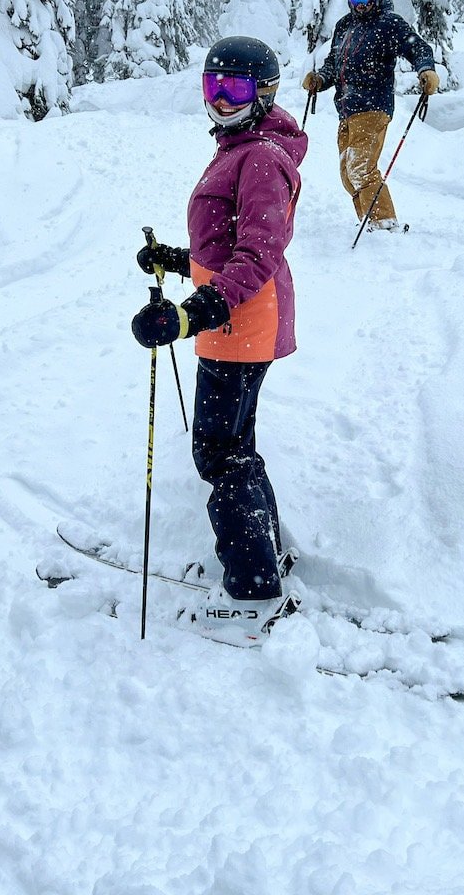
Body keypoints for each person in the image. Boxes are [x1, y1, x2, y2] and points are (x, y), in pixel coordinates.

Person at [130, 36, 307, 638]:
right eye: (213, 88)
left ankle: (253, 591)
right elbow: (226, 243)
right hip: (235, 320)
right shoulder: (242, 149)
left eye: (234, 89)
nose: (222, 101)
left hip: (239, 325)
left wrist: (191, 312)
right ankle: (262, 558)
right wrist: (178, 260)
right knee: (235, 445)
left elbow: (258, 251)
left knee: (219, 452)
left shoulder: (258, 157)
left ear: (264, 94)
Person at [302, 0, 440, 231]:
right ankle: (370, 223)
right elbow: (333, 63)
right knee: (347, 174)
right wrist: (319, 79)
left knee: (360, 167)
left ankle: (384, 223)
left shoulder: (388, 24)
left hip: (374, 106)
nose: (361, 4)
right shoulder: (344, 26)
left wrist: (426, 70)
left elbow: (417, 47)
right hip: (347, 110)